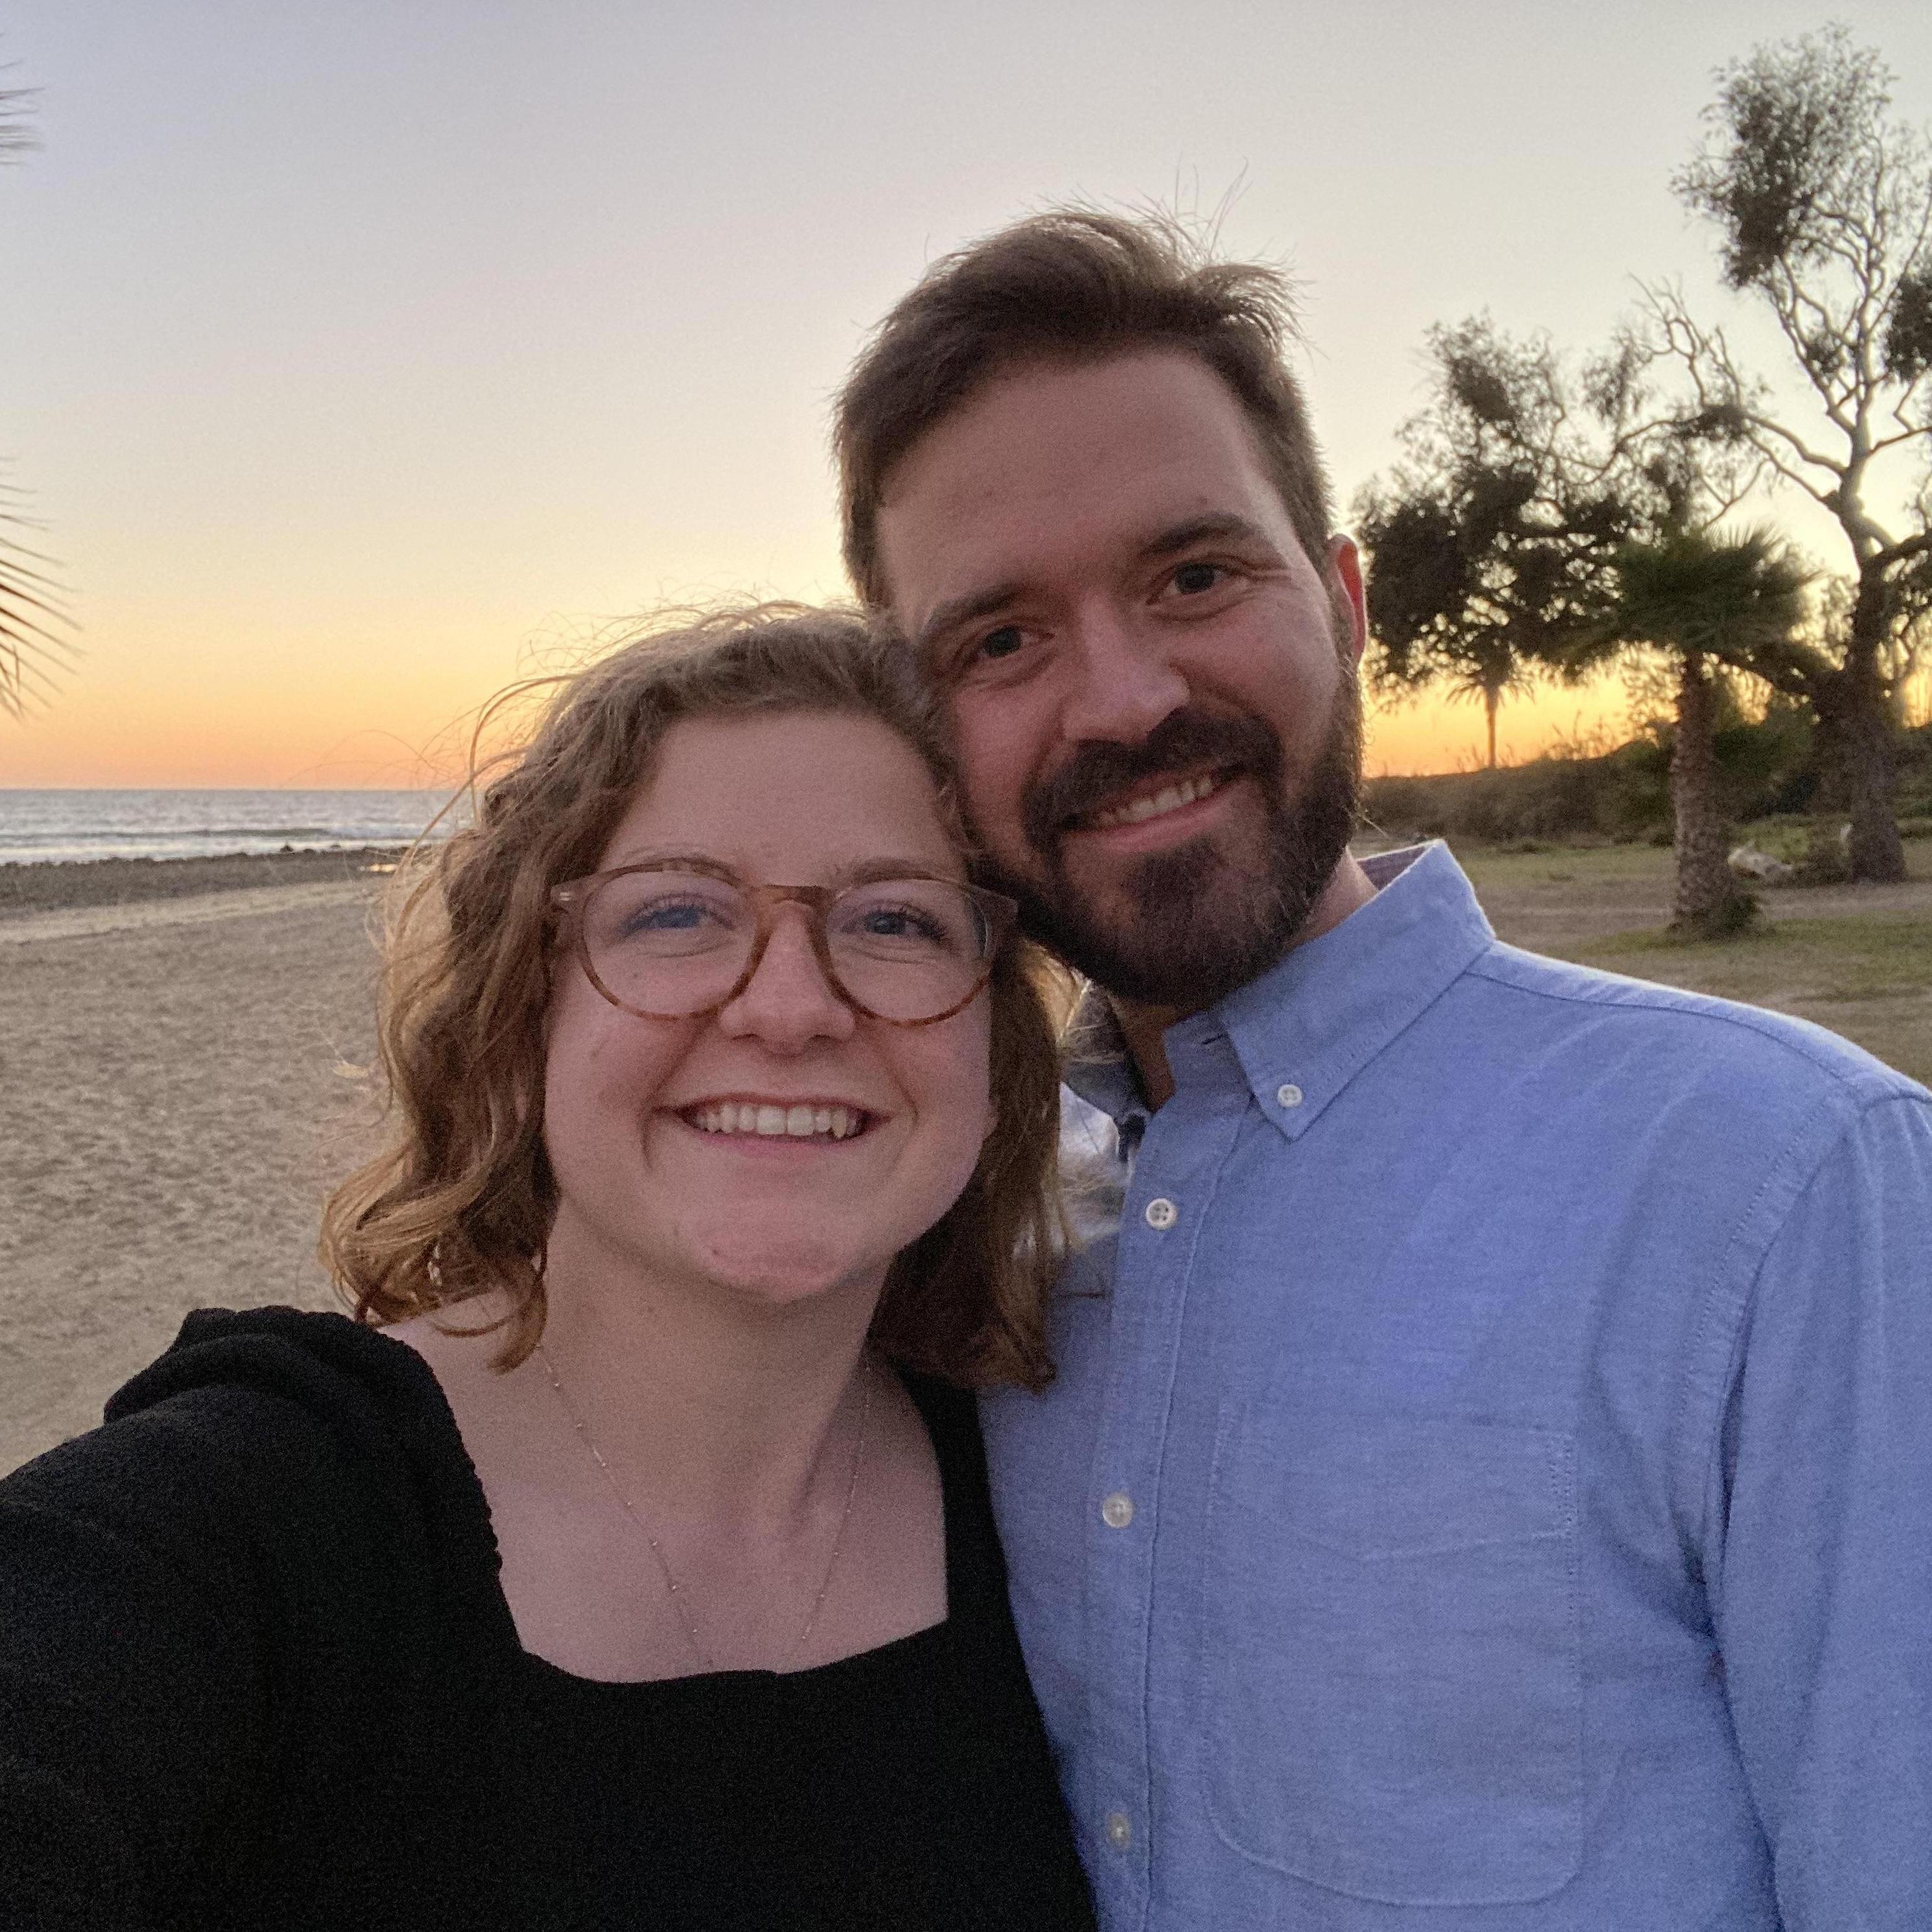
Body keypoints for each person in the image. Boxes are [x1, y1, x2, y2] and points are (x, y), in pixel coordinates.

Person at [833, 210, 1932, 1929]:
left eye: (1193, 575)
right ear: (920, 724)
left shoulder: (1780, 1184)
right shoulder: (948, 1222)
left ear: (1345, 605)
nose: (1120, 702)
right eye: (1000, 641)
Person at [0, 604, 1097, 1931]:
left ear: (991, 1043)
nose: (792, 1005)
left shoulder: (1063, 1496)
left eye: (896, 921)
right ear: (524, 1014)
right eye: (678, 910)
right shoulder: (249, 1527)